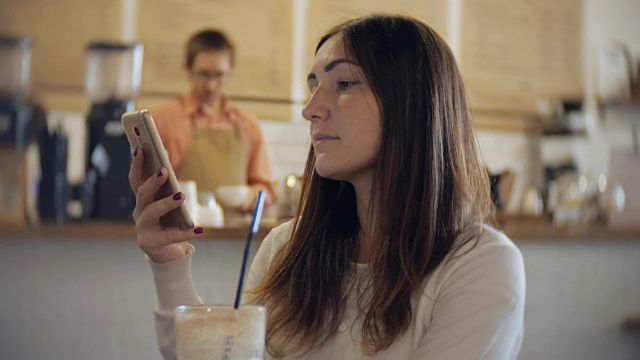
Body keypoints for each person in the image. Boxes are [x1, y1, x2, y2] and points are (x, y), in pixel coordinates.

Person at [129, 14, 525, 359]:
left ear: (411, 103)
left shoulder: (479, 266)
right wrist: (170, 263)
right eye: (314, 84)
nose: (310, 108)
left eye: (344, 84)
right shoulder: (286, 249)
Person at [150, 29, 274, 210]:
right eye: (204, 74)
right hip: (178, 232)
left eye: (218, 75)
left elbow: (267, 191)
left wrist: (248, 197)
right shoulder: (163, 119)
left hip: (234, 235)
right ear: (188, 69)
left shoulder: (247, 124)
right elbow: (147, 187)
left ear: (230, 71)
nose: (211, 85)